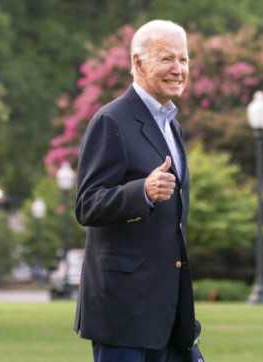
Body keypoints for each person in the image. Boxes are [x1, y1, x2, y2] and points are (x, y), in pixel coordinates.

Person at [73, 20, 201, 362]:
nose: (178, 69)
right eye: (167, 59)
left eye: (184, 60)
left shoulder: (172, 125)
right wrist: (141, 192)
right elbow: (87, 205)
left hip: (168, 314)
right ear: (138, 63)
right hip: (123, 315)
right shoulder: (111, 121)